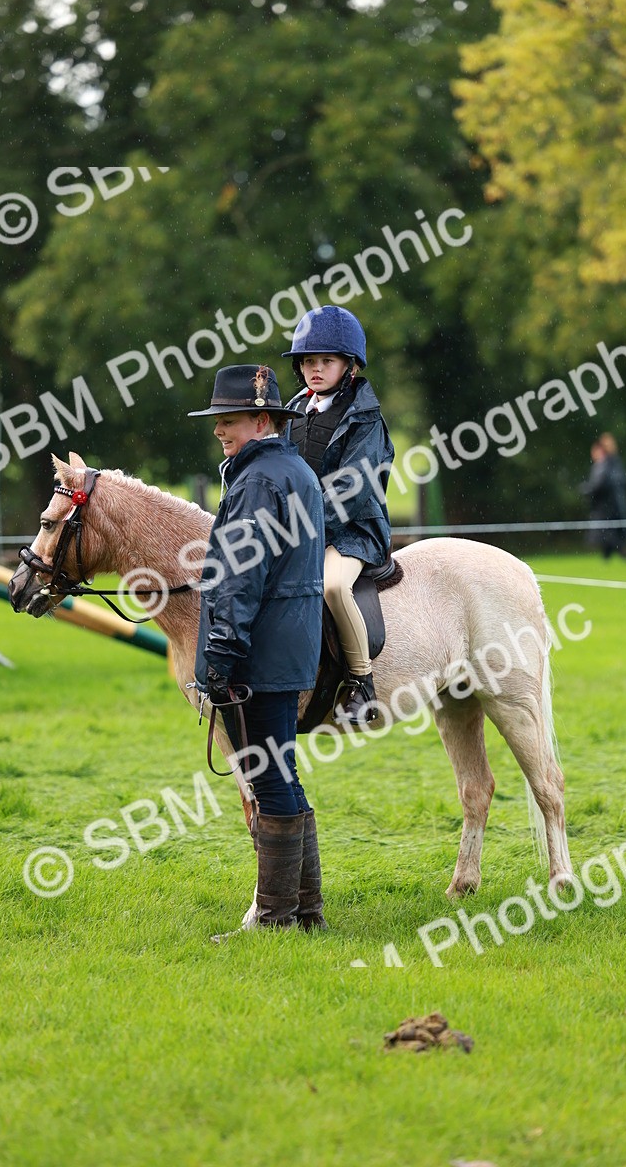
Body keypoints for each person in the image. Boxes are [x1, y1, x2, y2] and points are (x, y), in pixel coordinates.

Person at [189, 363, 328, 934]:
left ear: (263, 420)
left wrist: (221, 656)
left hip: (260, 656)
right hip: (287, 648)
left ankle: (275, 920)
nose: (219, 429)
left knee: (269, 780)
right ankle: (305, 913)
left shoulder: (257, 481)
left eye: (231, 419)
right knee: (283, 776)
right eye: (218, 420)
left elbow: (240, 579)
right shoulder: (292, 469)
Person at [283, 305, 394, 726]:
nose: (315, 369)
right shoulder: (292, 412)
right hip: (296, 528)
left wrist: (301, 527)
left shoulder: (366, 419)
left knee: (331, 586)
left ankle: (361, 683)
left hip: (353, 531)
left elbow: (353, 491)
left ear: (350, 365)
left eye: (326, 360)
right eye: (308, 360)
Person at [579, 434, 626, 560]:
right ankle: (609, 556)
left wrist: (587, 489)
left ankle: (622, 552)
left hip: (607, 506)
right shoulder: (612, 464)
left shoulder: (606, 465)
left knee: (606, 532)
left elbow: (600, 484)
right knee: (607, 531)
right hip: (611, 504)